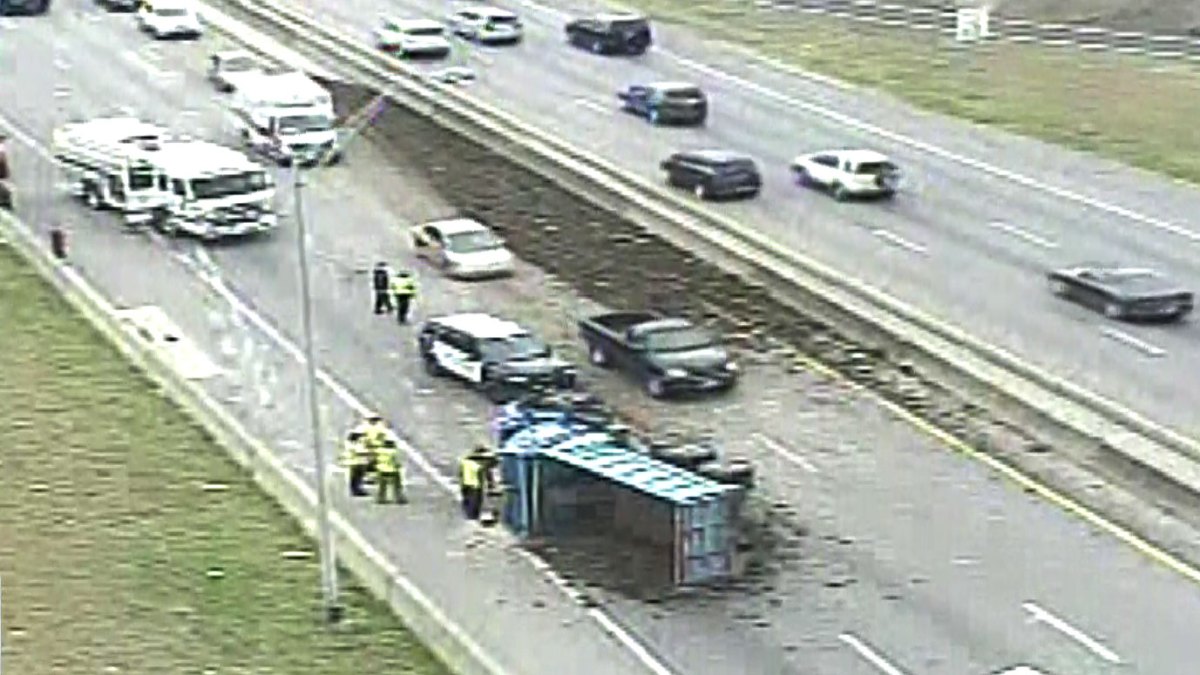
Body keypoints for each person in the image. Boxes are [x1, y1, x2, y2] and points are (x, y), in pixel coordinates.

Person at [458, 445, 497, 521]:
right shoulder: (481, 463)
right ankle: (472, 517)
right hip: (476, 485)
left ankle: (469, 516)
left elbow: (461, 473)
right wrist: (491, 484)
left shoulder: (465, 461)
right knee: (475, 502)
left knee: (467, 501)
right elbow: (488, 474)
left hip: (465, 484)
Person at [339, 430, 374, 497]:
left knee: (355, 479)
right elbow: (360, 451)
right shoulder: (353, 444)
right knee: (356, 478)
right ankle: (357, 490)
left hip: (355, 463)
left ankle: (355, 490)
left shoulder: (350, 444)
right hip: (356, 463)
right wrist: (367, 452)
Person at [374, 438, 407, 504]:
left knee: (382, 487)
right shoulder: (393, 452)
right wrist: (399, 466)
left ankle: (381, 499)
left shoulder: (379, 451)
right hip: (392, 470)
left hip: (381, 470)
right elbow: (396, 461)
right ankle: (399, 499)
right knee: (397, 486)